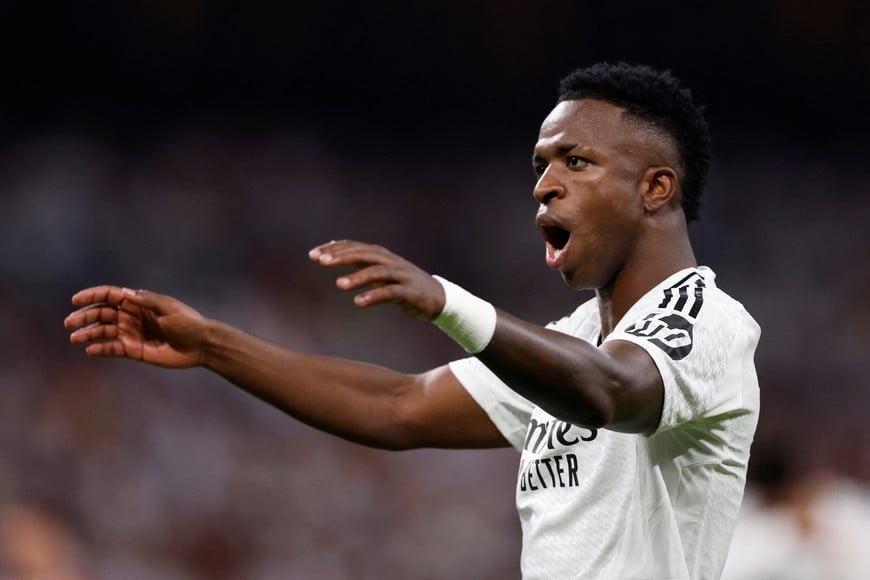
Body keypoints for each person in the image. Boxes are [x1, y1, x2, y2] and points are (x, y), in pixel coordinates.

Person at [64, 62, 761, 579]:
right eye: (542, 164)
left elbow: (615, 393)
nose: (544, 183)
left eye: (576, 161)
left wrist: (448, 304)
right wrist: (213, 344)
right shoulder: (573, 341)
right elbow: (397, 406)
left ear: (655, 188)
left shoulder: (706, 321)